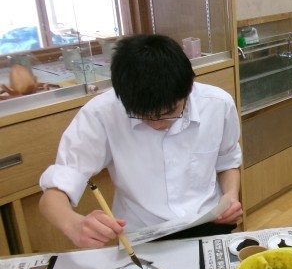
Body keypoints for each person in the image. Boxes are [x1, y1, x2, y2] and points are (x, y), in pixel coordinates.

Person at [39, 34, 242, 248]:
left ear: (190, 86)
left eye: (169, 113)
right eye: (143, 116)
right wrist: (73, 224)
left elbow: (228, 162)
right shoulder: (101, 113)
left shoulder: (218, 104)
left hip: (209, 221)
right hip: (142, 236)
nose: (157, 124)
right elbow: (54, 193)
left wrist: (230, 195)